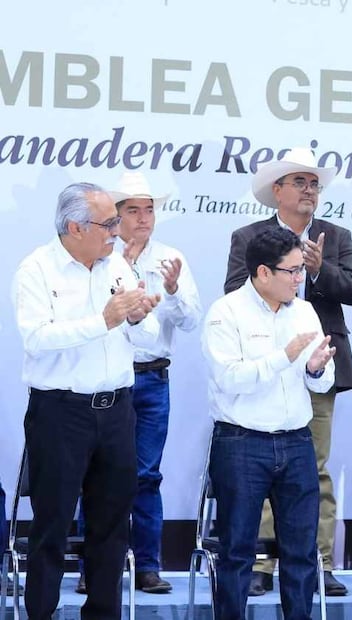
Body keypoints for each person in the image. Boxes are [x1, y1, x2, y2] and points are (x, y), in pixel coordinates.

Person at [12, 183, 160, 619]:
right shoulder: (37, 269)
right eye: (109, 222)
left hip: (117, 410)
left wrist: (137, 317)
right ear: (75, 227)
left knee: (113, 527)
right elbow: (37, 339)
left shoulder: (116, 265)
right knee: (51, 526)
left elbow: (145, 339)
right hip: (61, 413)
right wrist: (103, 320)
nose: (118, 230)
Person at [224, 146, 352, 597]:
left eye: (314, 183)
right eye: (299, 182)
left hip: (317, 365)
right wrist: (277, 279)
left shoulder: (335, 235)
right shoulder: (250, 236)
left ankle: (319, 560)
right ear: (276, 190)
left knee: (314, 466)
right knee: (263, 469)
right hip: (265, 363)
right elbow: (232, 291)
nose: (309, 190)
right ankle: (263, 561)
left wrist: (320, 271)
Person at [74, 172, 202, 595]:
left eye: (149, 209)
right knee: (95, 474)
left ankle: (147, 565)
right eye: (133, 210)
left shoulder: (171, 258)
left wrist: (173, 289)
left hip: (151, 379)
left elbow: (191, 321)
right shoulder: (100, 257)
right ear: (116, 215)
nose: (144, 217)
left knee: (147, 475)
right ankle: (94, 568)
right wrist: (121, 274)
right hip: (106, 382)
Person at [203, 227, 336, 619]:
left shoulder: (304, 310)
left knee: (300, 551)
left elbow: (323, 379)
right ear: (263, 272)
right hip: (241, 443)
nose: (300, 278)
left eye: (301, 270)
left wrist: (314, 369)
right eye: (292, 271)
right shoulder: (226, 312)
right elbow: (230, 379)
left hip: (296, 442)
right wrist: (285, 356)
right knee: (237, 551)